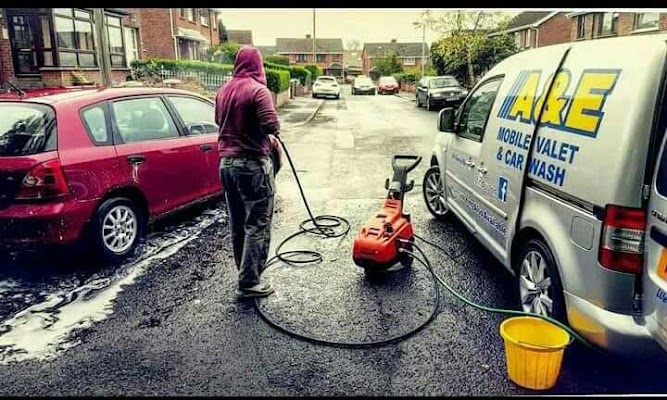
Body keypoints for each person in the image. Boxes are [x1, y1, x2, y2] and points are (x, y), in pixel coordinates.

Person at [215, 46, 279, 299]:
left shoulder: (223, 90)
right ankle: (250, 281)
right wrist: (268, 136)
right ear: (258, 65)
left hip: (226, 164)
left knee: (237, 220)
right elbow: (271, 124)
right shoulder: (257, 90)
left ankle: (243, 271)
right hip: (252, 164)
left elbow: (219, 120)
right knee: (257, 222)